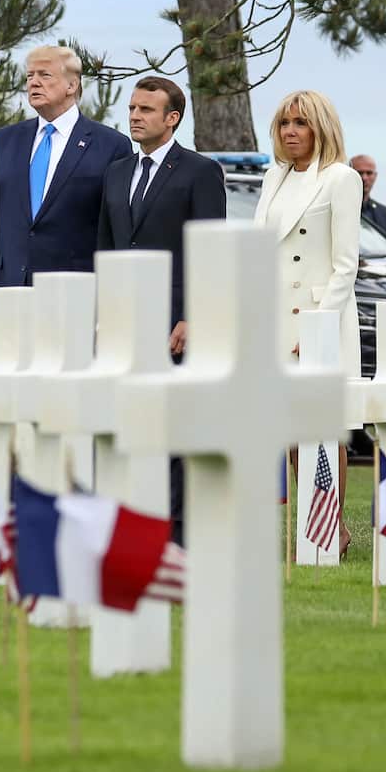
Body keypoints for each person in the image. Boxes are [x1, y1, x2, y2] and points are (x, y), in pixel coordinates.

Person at [97, 75, 226, 546]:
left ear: (172, 118)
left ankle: (176, 535)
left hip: (176, 323)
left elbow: (210, 251)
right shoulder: (114, 173)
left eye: (146, 110)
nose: (134, 116)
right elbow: (106, 248)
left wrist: (193, 315)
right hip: (122, 322)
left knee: (173, 429)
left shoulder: (199, 171)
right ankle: (129, 521)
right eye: (132, 108)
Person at [254, 89, 361, 556]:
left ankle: (330, 525)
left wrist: (316, 327)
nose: (291, 132)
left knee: (321, 424)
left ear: (321, 129)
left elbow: (346, 264)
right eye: (284, 124)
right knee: (289, 428)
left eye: (300, 123)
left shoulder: (340, 178)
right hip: (275, 319)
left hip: (318, 320)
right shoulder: (272, 177)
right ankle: (313, 522)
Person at [0, 45, 131, 296]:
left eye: (45, 75)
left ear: (72, 86)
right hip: (9, 291)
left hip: (74, 295)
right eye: (29, 76)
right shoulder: (5, 141)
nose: (34, 83)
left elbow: (116, 231)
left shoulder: (111, 145)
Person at [350, 154, 386, 239]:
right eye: (359, 173)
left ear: (375, 176)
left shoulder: (383, 213)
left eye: (369, 173)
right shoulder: (337, 208)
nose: (364, 178)